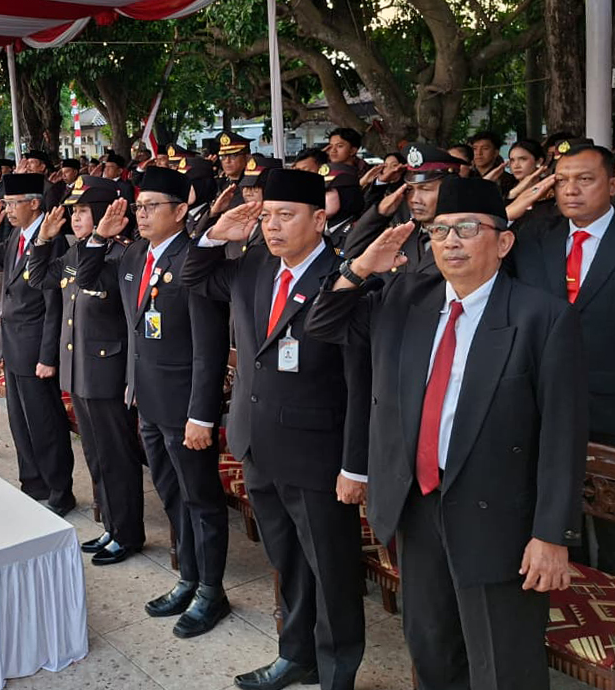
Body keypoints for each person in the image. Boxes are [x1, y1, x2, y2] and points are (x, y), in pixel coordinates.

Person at [307, 176, 588, 690]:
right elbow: (322, 327)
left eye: (466, 229)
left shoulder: (540, 316)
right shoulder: (405, 297)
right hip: (416, 507)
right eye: (438, 231)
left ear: (503, 242)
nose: (451, 241)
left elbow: (561, 434)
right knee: (432, 648)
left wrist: (551, 535)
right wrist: (359, 268)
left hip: (498, 515)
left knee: (504, 663)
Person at [183, 169, 368, 690]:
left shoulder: (344, 276)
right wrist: (216, 234)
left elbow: (360, 382)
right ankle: (296, 654)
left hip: (318, 455)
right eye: (266, 216)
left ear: (319, 218)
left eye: (285, 216)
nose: (272, 227)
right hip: (257, 441)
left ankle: (337, 674)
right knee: (286, 558)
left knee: (331, 571)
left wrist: (355, 464)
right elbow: (195, 279)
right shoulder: (255, 264)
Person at [77, 166, 230, 639]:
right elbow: (89, 282)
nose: (141, 215)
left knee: (201, 499)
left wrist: (201, 414)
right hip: (145, 397)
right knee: (170, 493)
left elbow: (209, 348)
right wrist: (99, 239)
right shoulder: (135, 254)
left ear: (181, 211)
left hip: (185, 405)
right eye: (139, 207)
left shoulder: (193, 259)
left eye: (151, 207)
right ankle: (188, 577)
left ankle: (211, 591)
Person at [509, 141, 615, 576]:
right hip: (543, 407)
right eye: (562, 181)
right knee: (556, 524)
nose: (571, 191)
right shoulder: (532, 238)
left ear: (614, 184)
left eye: (585, 180)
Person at [27, 175, 145, 564]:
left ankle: (127, 534)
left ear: (107, 212)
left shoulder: (124, 254)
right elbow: (40, 280)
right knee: (96, 457)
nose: (75, 219)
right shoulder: (77, 252)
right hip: (79, 371)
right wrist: (42, 240)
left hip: (108, 373)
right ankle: (111, 526)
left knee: (117, 457)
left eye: (82, 211)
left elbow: (124, 316)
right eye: (73, 212)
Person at [0, 172, 76, 515]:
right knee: (20, 421)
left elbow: (54, 306)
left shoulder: (53, 242)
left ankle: (60, 490)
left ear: (35, 203)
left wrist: (48, 356)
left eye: (12, 203)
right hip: (14, 343)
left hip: (36, 348)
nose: (8, 210)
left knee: (46, 423)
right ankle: (32, 483)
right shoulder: (16, 235)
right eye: (5, 203)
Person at [341, 143, 465, 280]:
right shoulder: (403, 233)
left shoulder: (466, 237)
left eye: (425, 189)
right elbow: (352, 252)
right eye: (410, 190)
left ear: (450, 190)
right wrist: (380, 213)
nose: (414, 199)